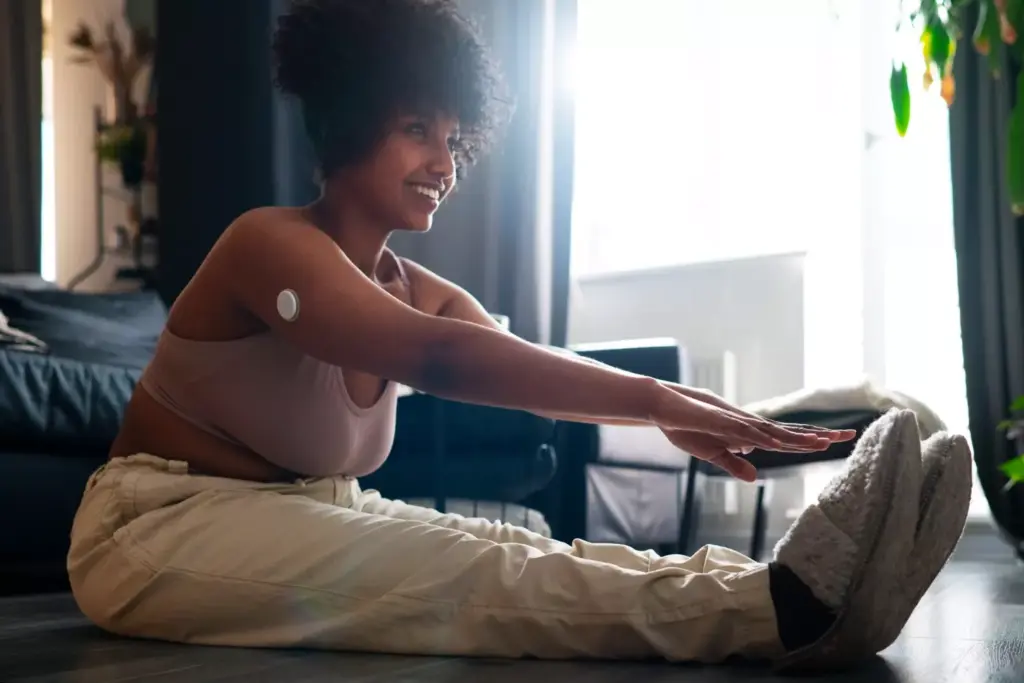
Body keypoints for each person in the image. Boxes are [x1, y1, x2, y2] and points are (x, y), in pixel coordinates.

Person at [66, 0, 973, 671]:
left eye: (456, 140)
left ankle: (799, 587)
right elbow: (441, 358)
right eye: (417, 130)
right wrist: (653, 403)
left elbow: (531, 369)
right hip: (154, 529)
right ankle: (786, 609)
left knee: (518, 546)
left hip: (307, 509)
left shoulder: (413, 286)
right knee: (465, 570)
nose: (443, 164)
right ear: (348, 123)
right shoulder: (266, 244)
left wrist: (680, 409)